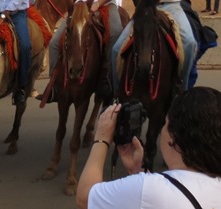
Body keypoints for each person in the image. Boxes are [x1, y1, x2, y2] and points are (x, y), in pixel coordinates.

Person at [75, 88, 221, 209]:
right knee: (115, 53)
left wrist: (102, 138)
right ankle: (115, 88)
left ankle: (177, 83)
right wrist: (139, 172)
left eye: (165, 124)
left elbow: (84, 198)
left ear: (173, 137)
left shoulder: (151, 189)